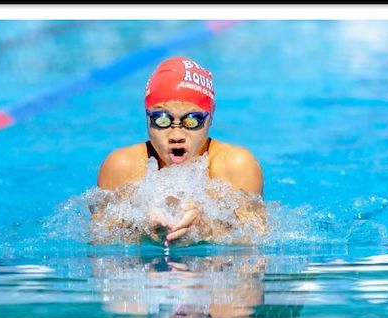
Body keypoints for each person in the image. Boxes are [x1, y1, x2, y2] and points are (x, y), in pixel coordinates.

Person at [95, 56, 265, 246]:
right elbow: (100, 245)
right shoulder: (122, 167)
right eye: (162, 119)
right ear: (147, 117)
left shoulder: (236, 165)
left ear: (211, 117)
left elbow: (254, 245)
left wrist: (205, 228)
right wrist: (143, 227)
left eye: (192, 120)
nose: (176, 134)